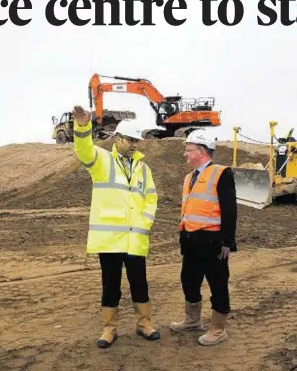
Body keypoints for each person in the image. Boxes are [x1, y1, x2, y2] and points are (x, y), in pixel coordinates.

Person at [72, 105, 160, 348]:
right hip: (110, 239)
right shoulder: (102, 161)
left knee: (139, 283)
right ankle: (109, 328)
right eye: (130, 140)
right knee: (110, 285)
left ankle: (144, 324)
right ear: (118, 138)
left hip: (135, 239)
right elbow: (83, 151)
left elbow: (151, 197)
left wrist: (146, 221)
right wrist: (82, 127)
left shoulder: (143, 168)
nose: (134, 144)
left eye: (137, 141)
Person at [169, 129, 237, 346]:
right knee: (189, 281)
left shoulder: (221, 173)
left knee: (218, 285)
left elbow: (229, 210)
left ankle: (218, 329)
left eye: (189, 150)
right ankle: (192, 320)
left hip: (213, 242)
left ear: (201, 151)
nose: (185, 154)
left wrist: (227, 241)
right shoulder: (189, 177)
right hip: (190, 242)